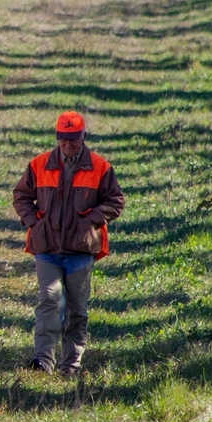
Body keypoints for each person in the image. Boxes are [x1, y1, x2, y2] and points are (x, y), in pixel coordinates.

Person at [13, 112, 124, 376]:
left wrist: (92, 220)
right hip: (46, 247)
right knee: (49, 300)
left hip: (81, 250)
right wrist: (33, 221)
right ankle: (43, 360)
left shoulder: (101, 166)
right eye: (63, 139)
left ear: (84, 136)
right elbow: (21, 196)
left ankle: (71, 363)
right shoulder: (39, 164)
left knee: (76, 309)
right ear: (57, 137)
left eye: (73, 139)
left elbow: (116, 201)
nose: (68, 144)